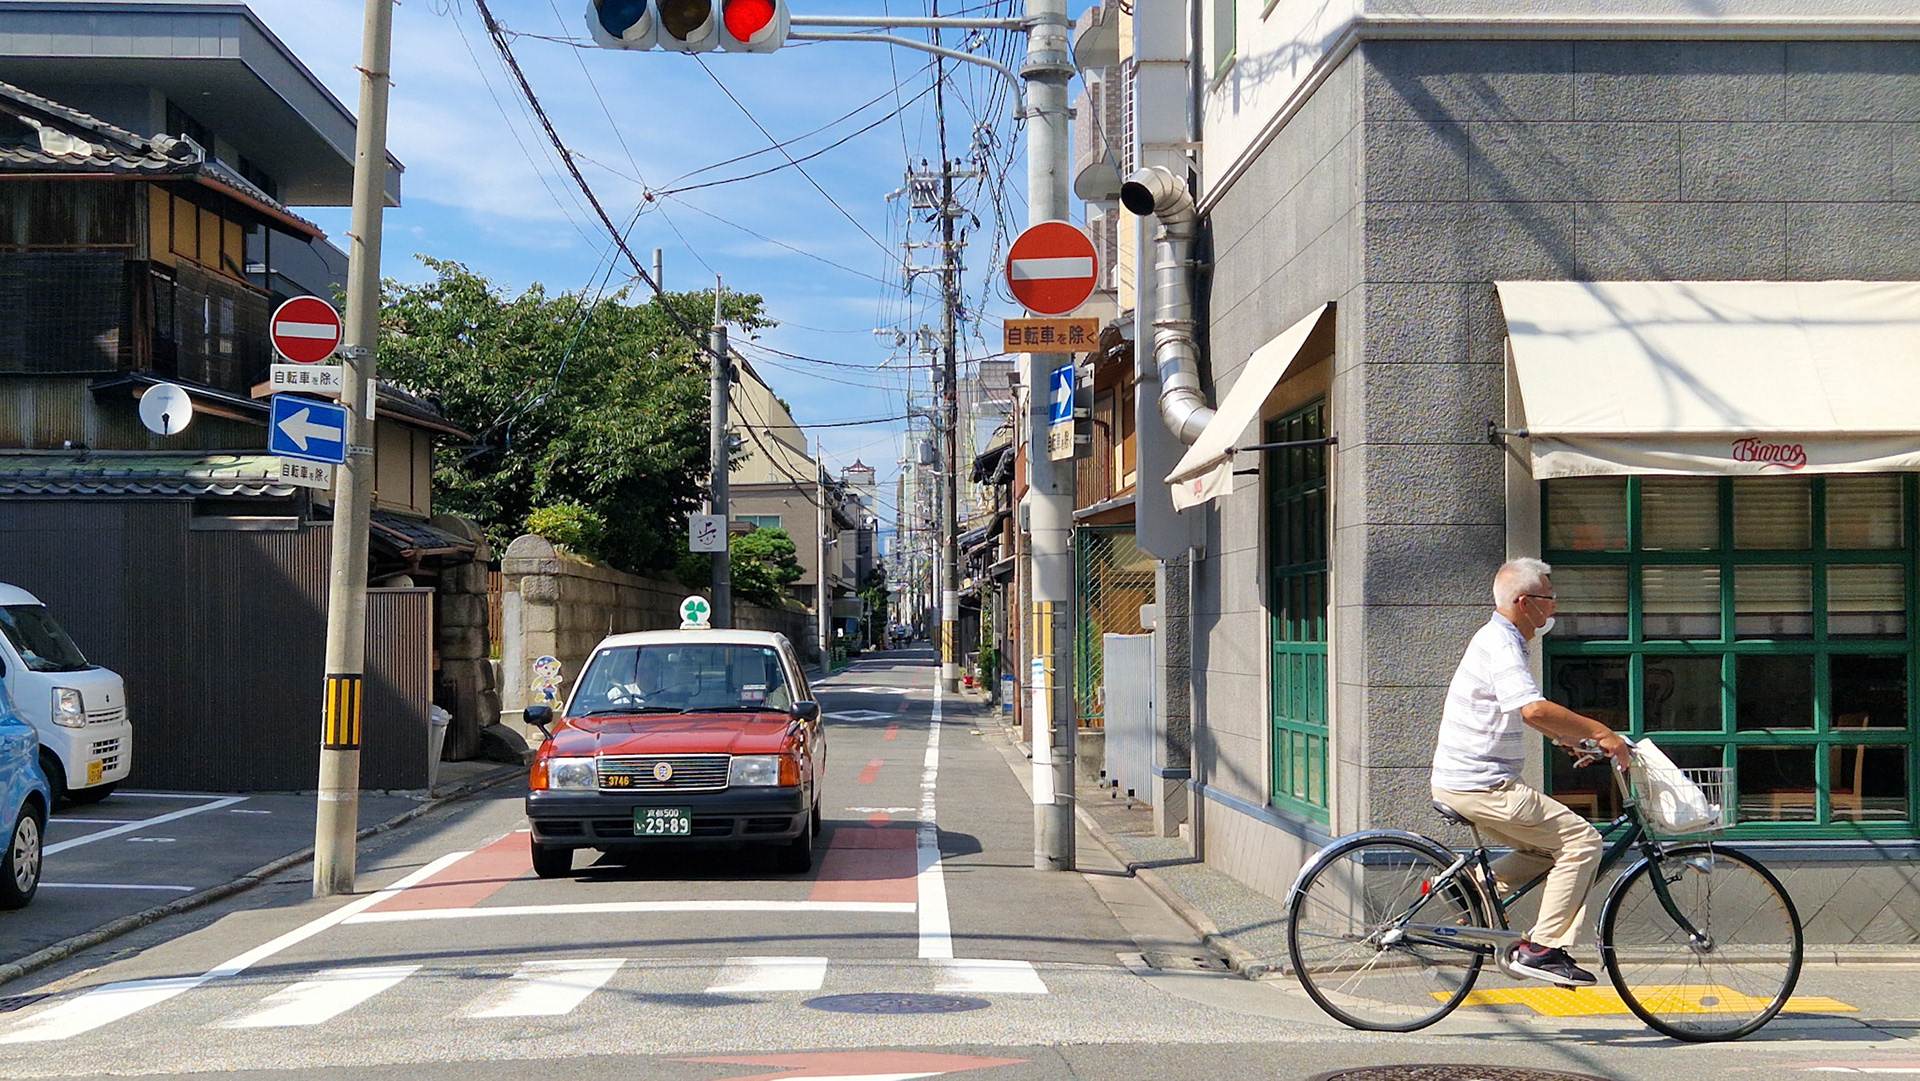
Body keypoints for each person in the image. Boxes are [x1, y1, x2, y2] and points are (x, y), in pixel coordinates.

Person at [1430, 556, 1630, 986]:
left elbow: (1520, 713)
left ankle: (1473, 885)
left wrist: (1566, 737)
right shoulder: (1501, 641)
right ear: (1526, 603)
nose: (1555, 608)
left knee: (1547, 848)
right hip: (1481, 784)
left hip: (1469, 780)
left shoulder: (1502, 639)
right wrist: (1602, 731)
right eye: (1549, 598)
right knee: (1581, 842)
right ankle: (1543, 950)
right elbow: (1533, 707)